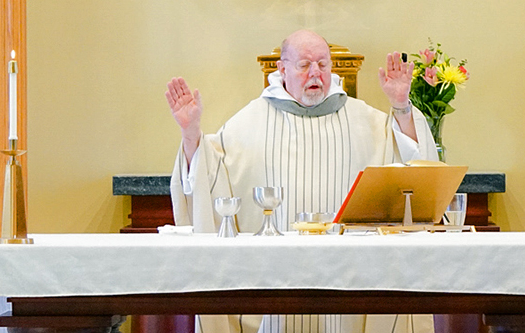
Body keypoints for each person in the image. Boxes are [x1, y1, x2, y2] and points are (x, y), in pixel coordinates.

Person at [165, 30, 438, 333]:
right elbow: (209, 179)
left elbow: (414, 166)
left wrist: (401, 107)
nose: (316, 74)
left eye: (323, 64)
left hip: (351, 292)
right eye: (305, 64)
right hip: (271, 292)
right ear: (281, 69)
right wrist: (191, 135)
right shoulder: (248, 123)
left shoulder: (366, 120)